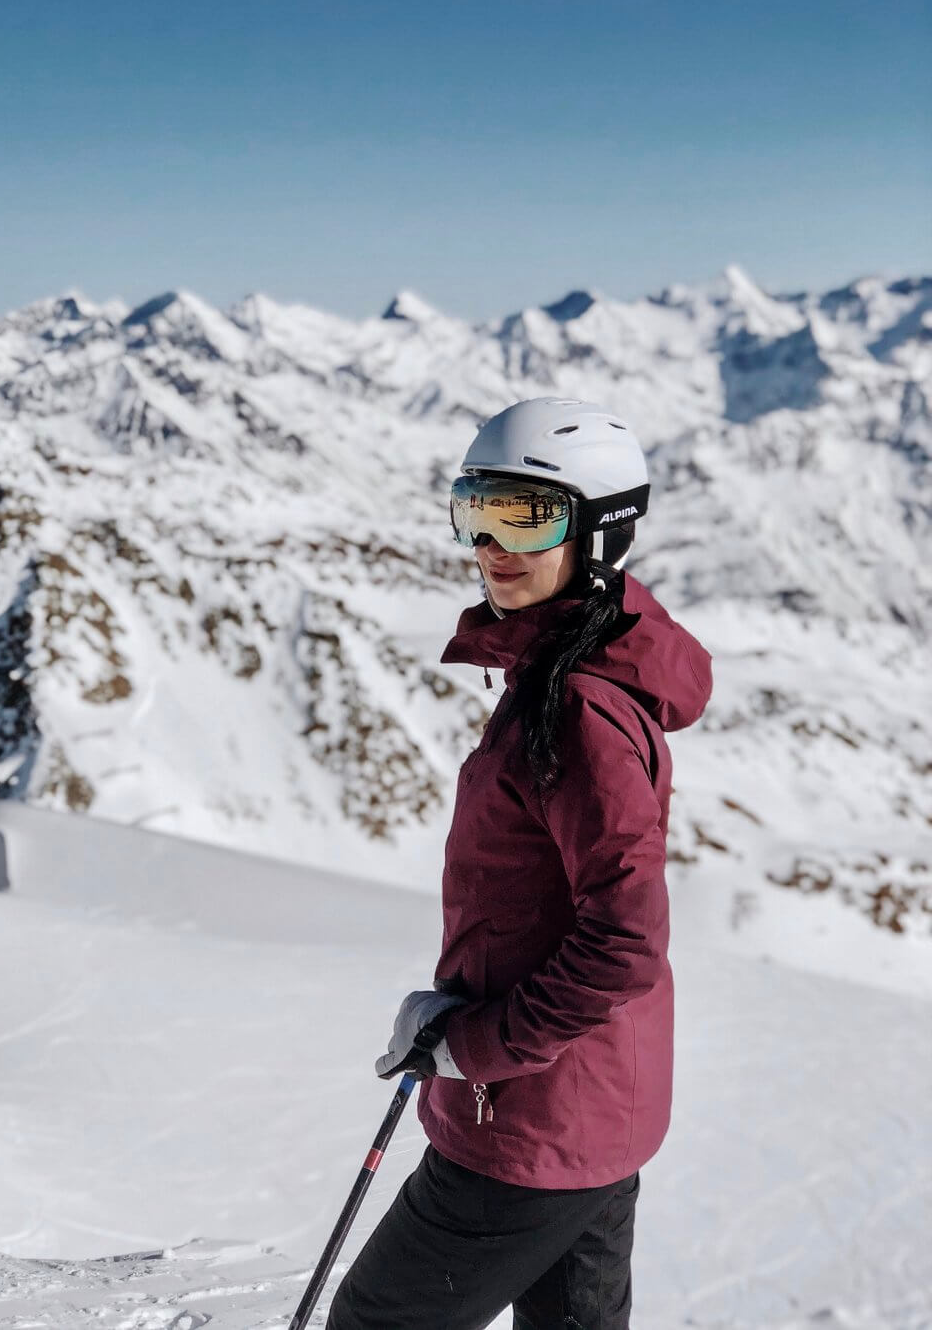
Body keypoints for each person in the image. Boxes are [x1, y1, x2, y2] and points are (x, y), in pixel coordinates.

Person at [327, 396, 713, 1330]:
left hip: (530, 1120)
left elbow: (624, 940)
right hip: (595, 1109)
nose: (491, 544)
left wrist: (476, 1042)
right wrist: (457, 1009)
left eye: (528, 515)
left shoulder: (577, 708)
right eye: (475, 509)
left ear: (601, 530)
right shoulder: (574, 670)